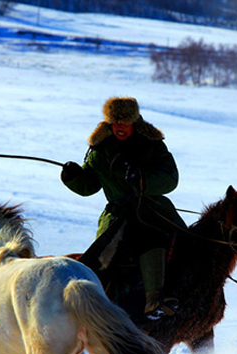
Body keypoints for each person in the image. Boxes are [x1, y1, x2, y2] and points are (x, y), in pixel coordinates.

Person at [60, 96, 186, 316]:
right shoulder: (99, 151)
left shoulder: (152, 145)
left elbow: (170, 178)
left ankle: (157, 300)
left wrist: (142, 180)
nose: (119, 126)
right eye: (115, 122)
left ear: (134, 122)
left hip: (153, 210)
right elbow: (88, 186)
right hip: (117, 214)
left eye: (124, 122)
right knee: (100, 260)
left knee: (169, 241)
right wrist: (72, 177)